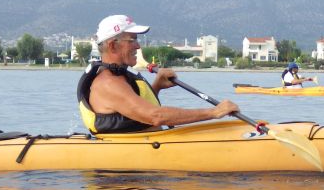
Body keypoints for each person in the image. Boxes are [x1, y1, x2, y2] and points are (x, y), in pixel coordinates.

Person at [77, 15, 240, 134]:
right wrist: (213, 112)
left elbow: (134, 111)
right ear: (113, 46)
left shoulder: (119, 77)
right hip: (125, 169)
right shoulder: (108, 83)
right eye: (132, 40)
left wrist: (157, 86)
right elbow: (155, 116)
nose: (138, 46)